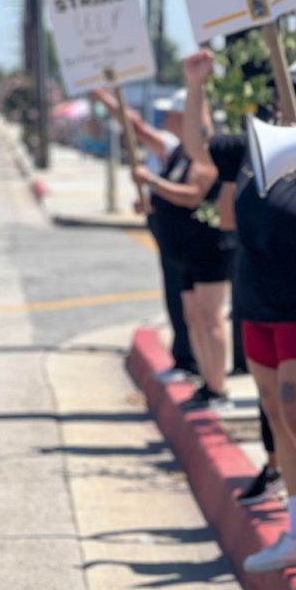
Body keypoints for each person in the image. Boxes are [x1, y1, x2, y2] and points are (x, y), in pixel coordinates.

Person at [182, 51, 296, 575]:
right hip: (259, 297)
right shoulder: (254, 144)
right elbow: (198, 148)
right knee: (277, 414)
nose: (286, 99)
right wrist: (194, 85)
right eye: (286, 90)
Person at [130, 89, 235, 415]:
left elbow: (192, 195)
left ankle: (217, 386)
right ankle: (206, 381)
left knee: (210, 316)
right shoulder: (178, 155)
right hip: (186, 251)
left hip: (209, 248)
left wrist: (153, 184)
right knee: (194, 318)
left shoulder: (205, 156)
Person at [92, 87, 199, 385]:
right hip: (168, 237)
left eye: (171, 113)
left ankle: (189, 362)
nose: (164, 117)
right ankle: (184, 358)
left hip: (181, 241)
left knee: (185, 303)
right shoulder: (173, 149)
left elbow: (136, 126)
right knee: (176, 301)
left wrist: (107, 100)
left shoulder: (173, 145)